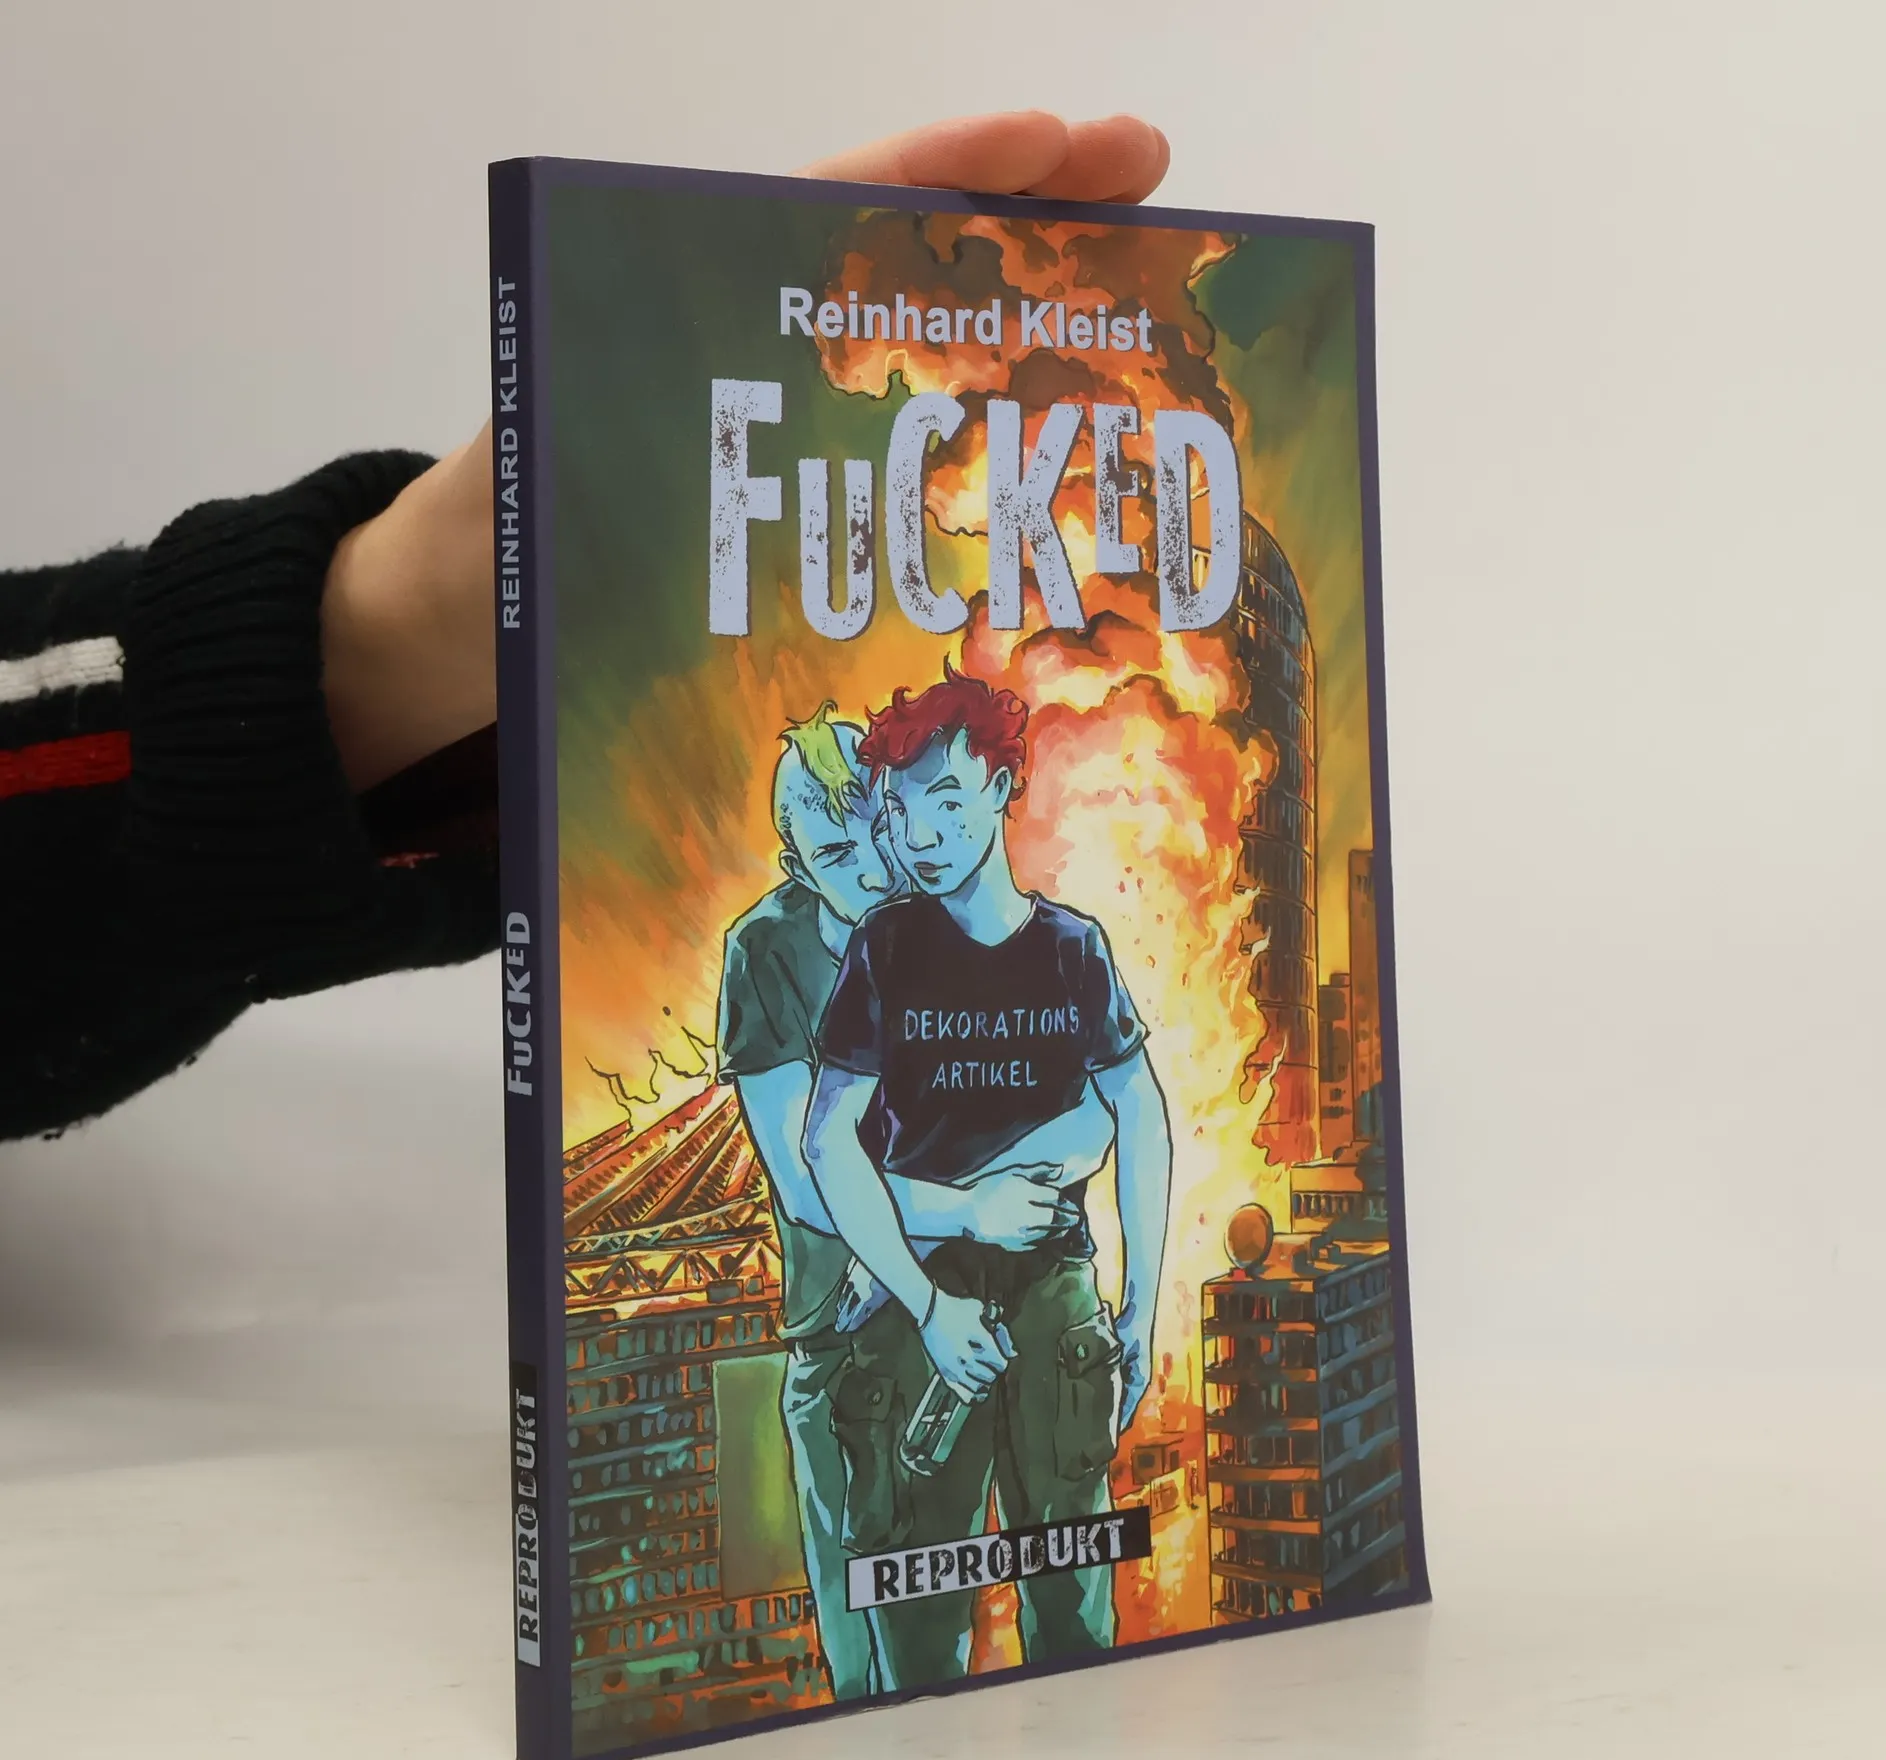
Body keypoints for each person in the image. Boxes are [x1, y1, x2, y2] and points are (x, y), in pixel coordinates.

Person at [0, 111, 1172, 1145]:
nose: (894, 851)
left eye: (897, 825)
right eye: (865, 832)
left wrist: (381, 641)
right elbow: (817, 1156)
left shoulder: (1050, 948)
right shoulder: (800, 954)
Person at [716, 702, 1113, 1699]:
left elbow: (1084, 1101)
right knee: (875, 1663)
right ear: (797, 865)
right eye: (834, 852)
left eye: (880, 825)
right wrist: (969, 1208)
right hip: (849, 1340)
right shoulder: (769, 952)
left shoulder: (964, 914)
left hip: (984, 1314)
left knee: (1058, 1592)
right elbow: (808, 1182)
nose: (878, 862)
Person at [803, 666, 1173, 1674]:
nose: (918, 835)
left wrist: (1141, 1309)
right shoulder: (885, 948)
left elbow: (1141, 1112)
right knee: (919, 1618)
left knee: (1074, 1601)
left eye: (945, 802)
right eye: (898, 812)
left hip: (1055, 1301)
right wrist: (932, 1293)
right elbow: (827, 1143)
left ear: (1004, 788)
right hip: (919, 1305)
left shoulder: (1073, 950)